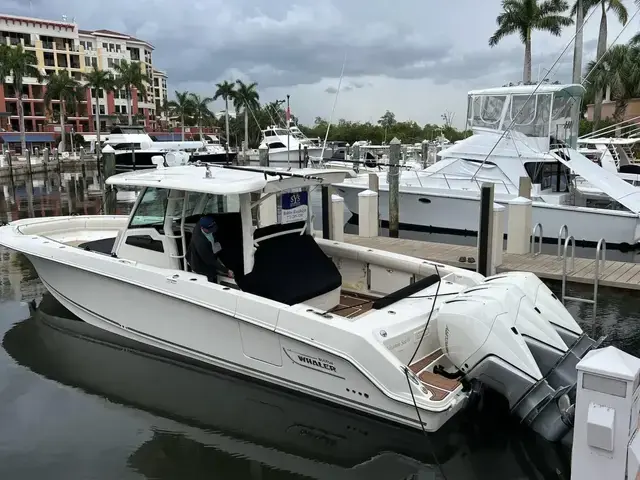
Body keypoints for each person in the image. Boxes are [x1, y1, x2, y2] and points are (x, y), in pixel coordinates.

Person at [187, 216, 232, 283]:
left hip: (210, 246)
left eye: (214, 227)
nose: (213, 230)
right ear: (202, 228)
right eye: (210, 229)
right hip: (200, 264)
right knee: (209, 276)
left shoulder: (202, 222)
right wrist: (226, 270)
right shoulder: (201, 243)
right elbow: (209, 260)